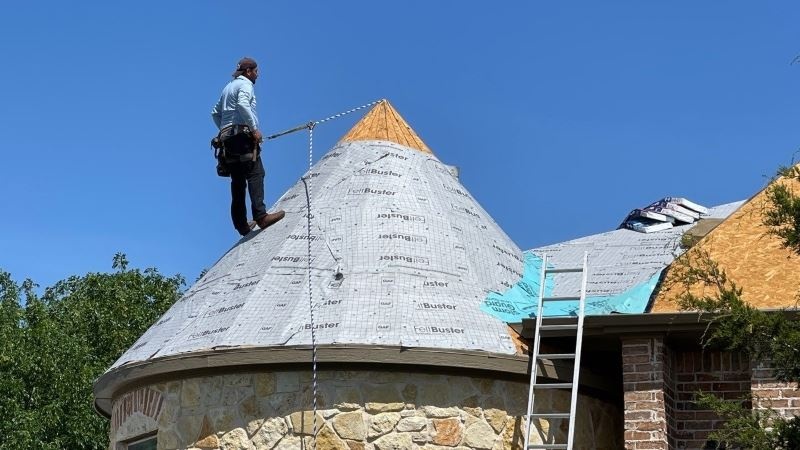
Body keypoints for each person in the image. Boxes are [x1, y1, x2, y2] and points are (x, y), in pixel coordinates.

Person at [212, 57, 285, 236]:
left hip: (227, 140)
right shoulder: (245, 85)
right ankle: (261, 216)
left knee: (237, 181)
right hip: (242, 137)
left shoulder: (228, 87)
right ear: (248, 71)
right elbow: (243, 105)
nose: (258, 75)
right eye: (256, 71)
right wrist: (253, 130)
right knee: (256, 172)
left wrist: (224, 130)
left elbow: (215, 113)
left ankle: (241, 225)